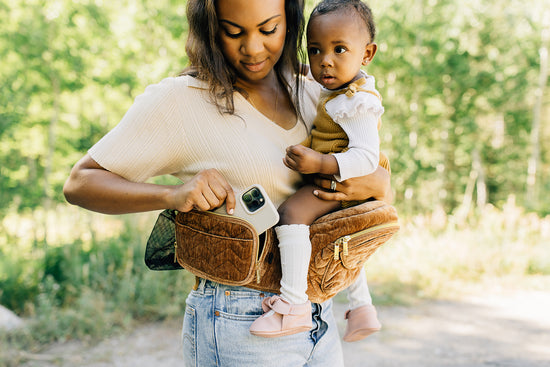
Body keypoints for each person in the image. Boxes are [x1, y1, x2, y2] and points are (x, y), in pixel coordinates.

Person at [63, 0, 392, 365]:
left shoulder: (314, 89)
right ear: (209, 28)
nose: (252, 48)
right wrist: (174, 194)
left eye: (269, 29)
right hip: (240, 319)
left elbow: (371, 178)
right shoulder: (181, 99)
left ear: (291, 22)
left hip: (319, 311)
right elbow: (80, 182)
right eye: (233, 31)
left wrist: (375, 183)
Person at [249, 0, 387, 343]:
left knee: (292, 213)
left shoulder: (356, 101)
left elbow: (368, 157)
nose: (325, 60)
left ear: (366, 54)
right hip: (335, 180)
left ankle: (293, 305)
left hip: (335, 180)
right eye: (315, 50)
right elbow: (307, 70)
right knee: (337, 238)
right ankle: (362, 308)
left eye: (339, 49)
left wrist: (321, 163)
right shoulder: (337, 86)